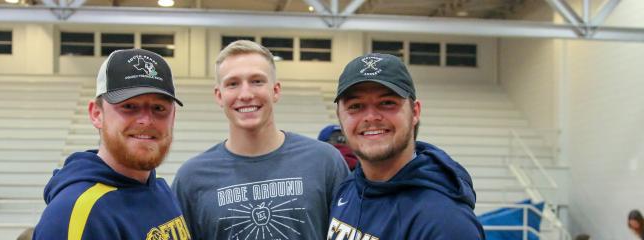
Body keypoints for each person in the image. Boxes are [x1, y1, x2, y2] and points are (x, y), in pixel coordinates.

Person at [172, 40, 349, 239]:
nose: (246, 94)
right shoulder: (191, 179)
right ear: (219, 95)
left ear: (275, 90)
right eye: (233, 84)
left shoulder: (324, 162)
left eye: (257, 81)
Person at [33, 49, 191, 239]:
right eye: (129, 106)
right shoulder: (74, 214)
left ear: (173, 116)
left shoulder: (160, 190)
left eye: (159, 108)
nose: (146, 120)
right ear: (96, 114)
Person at [327, 53, 484, 239]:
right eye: (355, 106)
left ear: (415, 112)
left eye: (387, 103)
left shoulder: (446, 222)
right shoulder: (348, 188)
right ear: (340, 116)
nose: (371, 116)